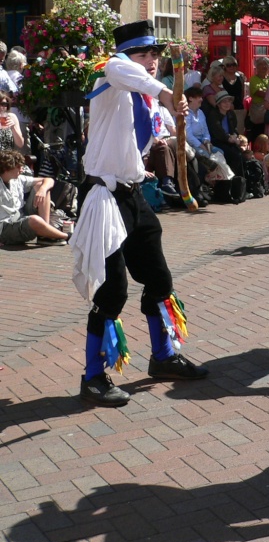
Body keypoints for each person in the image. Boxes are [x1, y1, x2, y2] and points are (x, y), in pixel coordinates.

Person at [71, 20, 208, 408]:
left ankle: (163, 357)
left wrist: (169, 108)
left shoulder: (143, 96)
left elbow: (136, 133)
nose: (151, 61)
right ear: (128, 55)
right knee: (112, 290)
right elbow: (122, 69)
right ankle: (93, 376)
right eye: (143, 54)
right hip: (104, 197)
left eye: (155, 55)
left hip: (132, 193)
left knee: (159, 278)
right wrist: (166, 93)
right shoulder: (111, 73)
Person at [0, 149, 69, 246]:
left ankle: (46, 232)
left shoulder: (18, 179)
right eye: (18, 167)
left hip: (20, 218)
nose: (22, 170)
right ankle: (66, 236)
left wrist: (43, 190)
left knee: (42, 185)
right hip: (5, 228)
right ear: (8, 168)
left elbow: (49, 180)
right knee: (34, 220)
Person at [246, 56, 269, 145]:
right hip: (258, 112)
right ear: (256, 67)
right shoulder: (254, 79)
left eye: (266, 65)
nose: (263, 67)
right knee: (257, 136)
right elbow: (259, 93)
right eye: (261, 65)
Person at [220, 56, 247, 134]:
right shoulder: (221, 78)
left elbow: (243, 93)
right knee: (227, 132)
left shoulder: (240, 77)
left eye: (234, 64)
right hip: (225, 109)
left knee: (239, 132)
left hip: (238, 108)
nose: (231, 67)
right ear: (224, 66)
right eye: (228, 65)